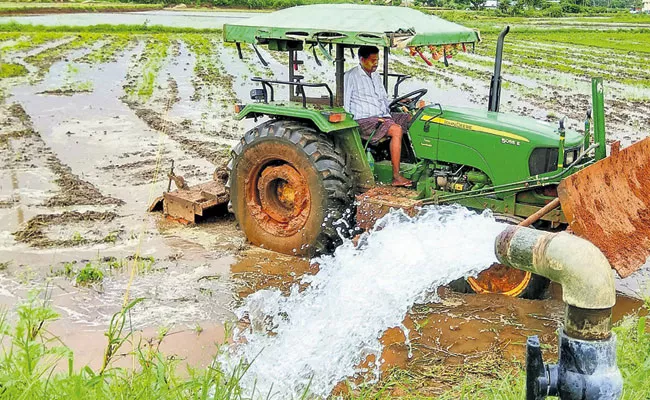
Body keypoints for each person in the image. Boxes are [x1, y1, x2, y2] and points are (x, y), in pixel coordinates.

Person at [344, 45, 412, 187]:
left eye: (377, 60)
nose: (376, 64)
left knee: (412, 119)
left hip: (382, 116)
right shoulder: (351, 76)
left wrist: (399, 101)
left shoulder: (376, 76)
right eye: (373, 60)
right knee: (396, 130)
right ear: (362, 59)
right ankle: (396, 176)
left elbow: (383, 99)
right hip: (364, 120)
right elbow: (345, 104)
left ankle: (412, 162)